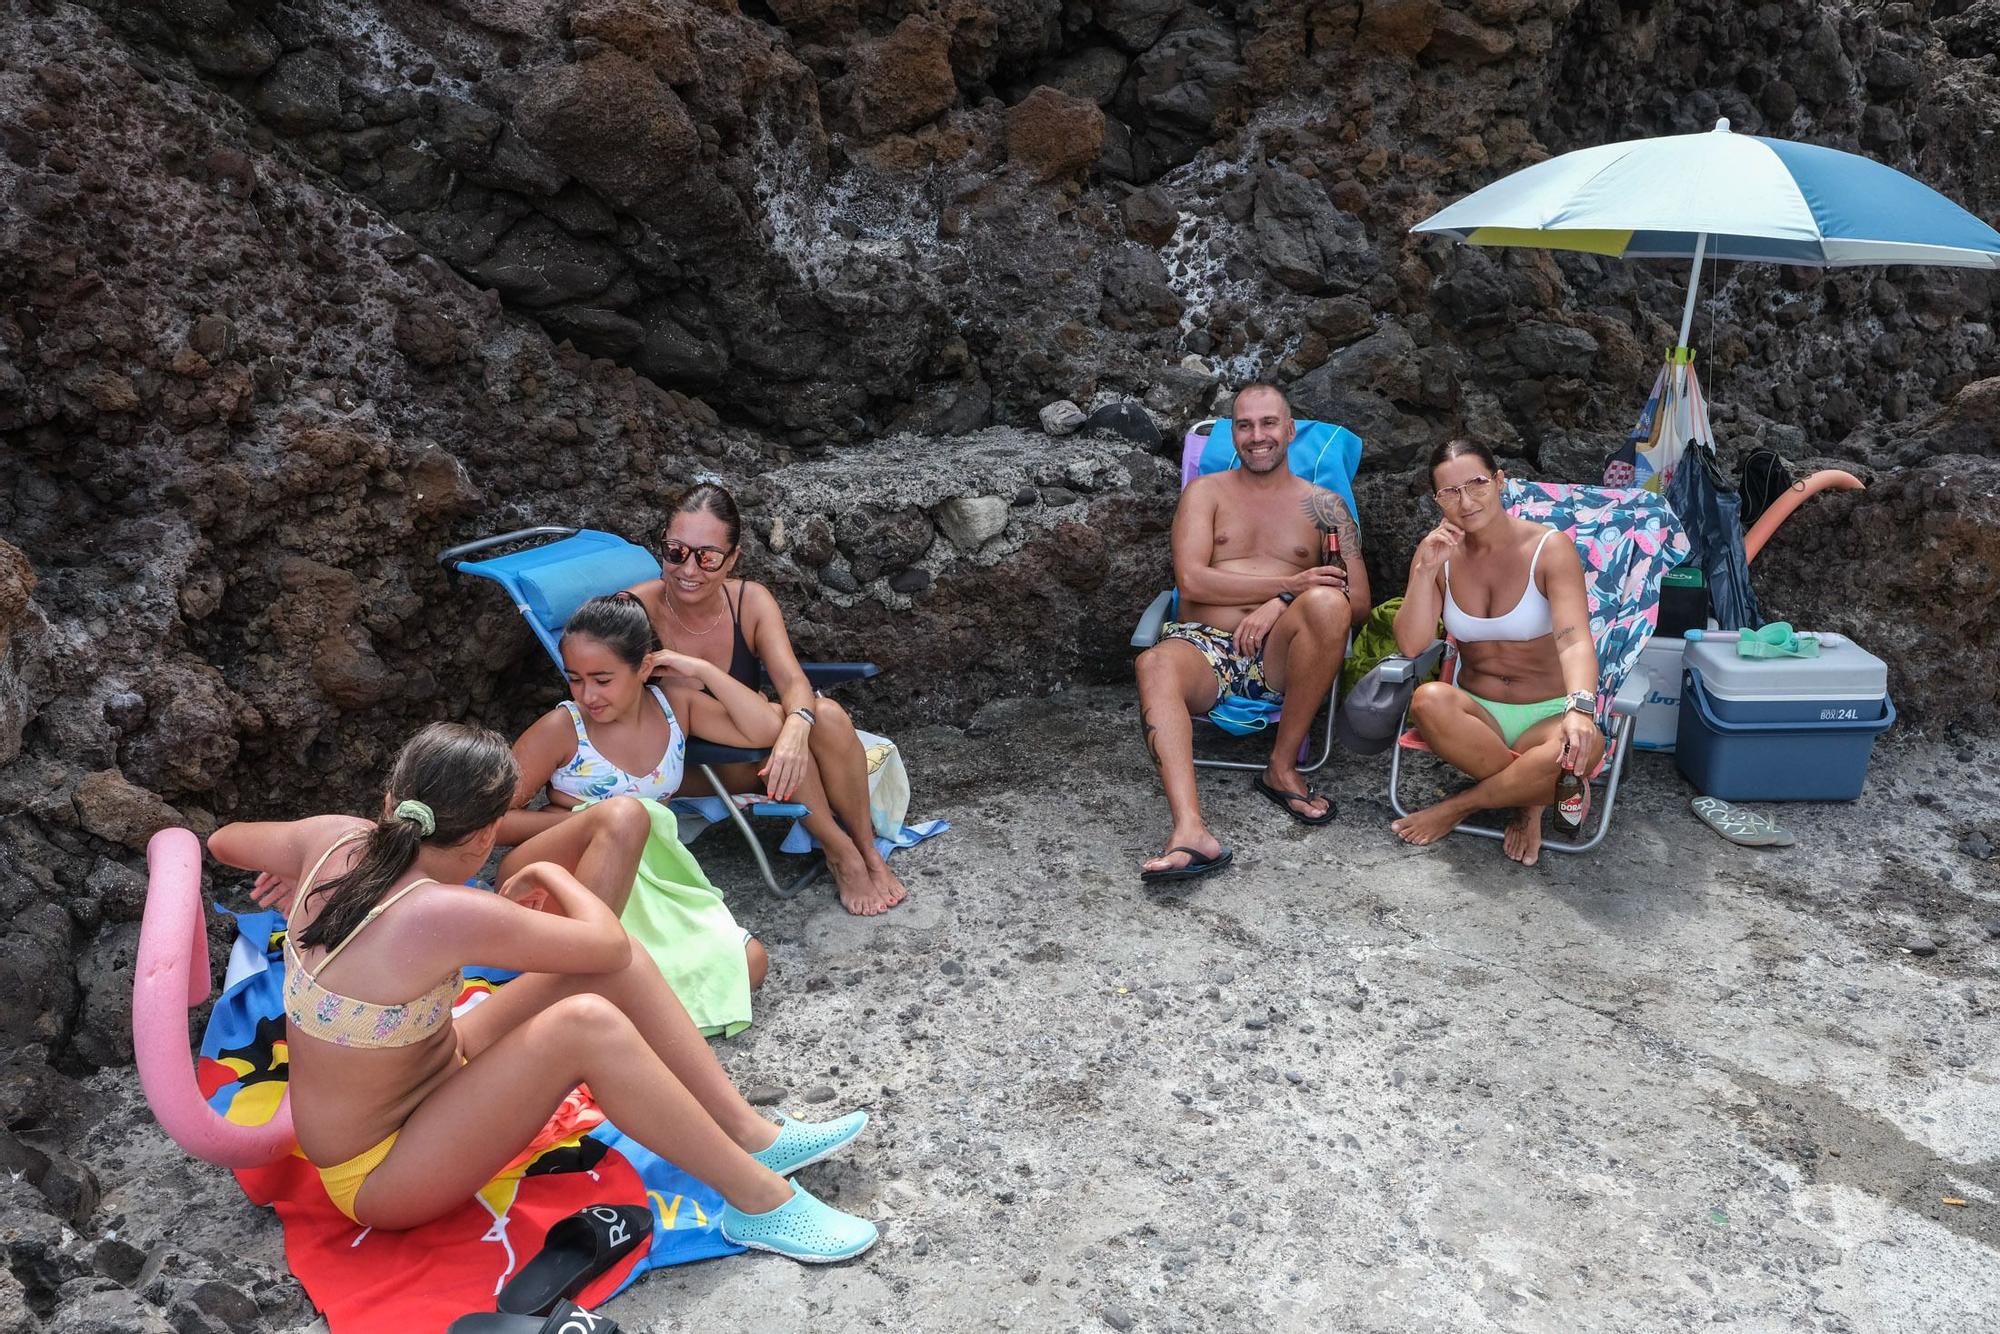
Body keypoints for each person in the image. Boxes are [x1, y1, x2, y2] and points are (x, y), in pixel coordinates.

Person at [207, 723, 878, 1259]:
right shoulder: (441, 912)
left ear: (391, 803)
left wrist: (290, 868)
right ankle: (756, 1202)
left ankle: (750, 1134)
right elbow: (605, 939)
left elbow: (224, 841)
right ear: (482, 839)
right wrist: (558, 882)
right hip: (381, 1174)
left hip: (437, 1070)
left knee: (607, 974)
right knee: (587, 1020)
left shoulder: (333, 839)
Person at [626, 483, 910, 917]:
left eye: (707, 557)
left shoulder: (749, 601)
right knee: (801, 722)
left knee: (826, 716)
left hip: (756, 744)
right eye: (675, 551)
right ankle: (842, 854)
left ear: (733, 558)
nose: (688, 569)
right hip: (693, 763)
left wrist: (796, 728)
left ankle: (868, 850)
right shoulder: (636, 609)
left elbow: (792, 679)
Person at [1132, 383, 1370, 884]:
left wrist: (1282, 602)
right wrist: (1288, 581)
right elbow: (1192, 579)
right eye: (1244, 425)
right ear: (1233, 433)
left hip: (1280, 655)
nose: (1256, 436)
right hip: (1204, 646)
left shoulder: (1325, 507)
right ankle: (1190, 832)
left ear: (1290, 431)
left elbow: (1359, 601)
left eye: (1268, 424)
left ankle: (1281, 769)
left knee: (1328, 602)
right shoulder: (1206, 492)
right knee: (1152, 661)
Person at [503, 594, 779, 1018]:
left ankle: (615, 995)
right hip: (563, 875)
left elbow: (765, 728)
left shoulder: (675, 707)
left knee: (749, 962)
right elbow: (490, 819)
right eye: (575, 678)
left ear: (644, 668)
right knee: (623, 816)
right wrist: (587, 823)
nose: (587, 694)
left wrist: (700, 669)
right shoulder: (563, 727)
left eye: (602, 679)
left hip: (648, 882)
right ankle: (579, 978)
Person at [1389, 438, 1603, 866]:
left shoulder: (1548, 548)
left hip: (1546, 715)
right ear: (1437, 500)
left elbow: (1575, 639)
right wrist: (1425, 570)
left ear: (1500, 481)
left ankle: (1462, 807)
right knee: (1427, 700)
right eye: (1450, 492)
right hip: (1478, 716)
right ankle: (1535, 791)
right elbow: (1411, 645)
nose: (1466, 501)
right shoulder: (1438, 554)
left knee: (1588, 744)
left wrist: (1579, 709)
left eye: (1477, 484)